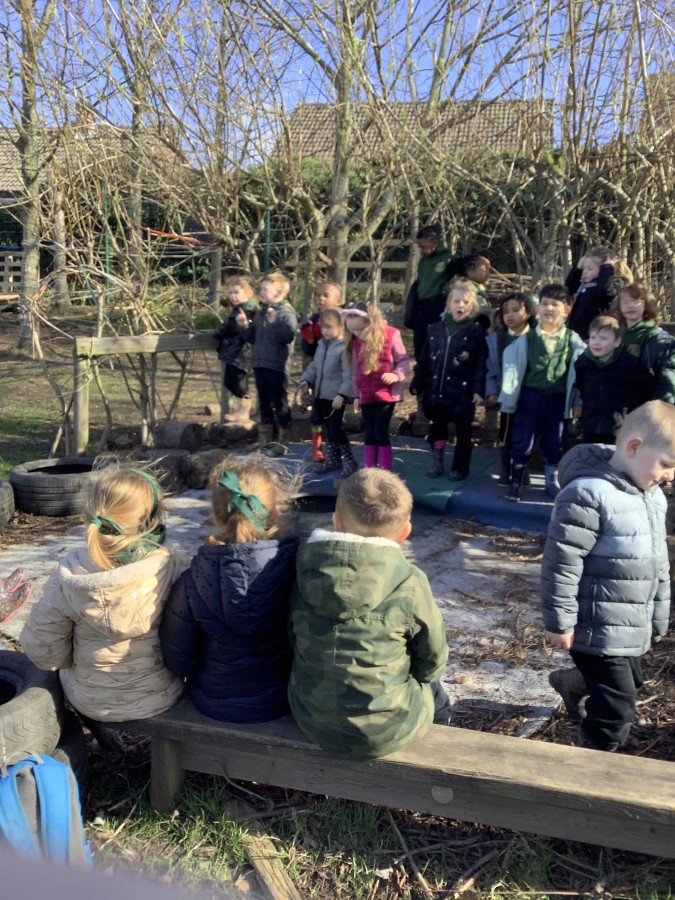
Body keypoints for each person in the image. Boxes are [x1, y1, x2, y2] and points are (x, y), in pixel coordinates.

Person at [288, 468, 452, 759]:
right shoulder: (411, 582)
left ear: (336, 522)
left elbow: (292, 637)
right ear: (405, 532)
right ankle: (443, 738)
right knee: (436, 692)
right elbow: (432, 659)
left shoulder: (304, 571)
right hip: (389, 731)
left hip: (312, 718)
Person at [542, 401, 674, 751]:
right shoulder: (588, 495)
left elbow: (658, 563)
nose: (670, 475)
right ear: (634, 447)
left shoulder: (652, 497)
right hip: (592, 624)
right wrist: (560, 621)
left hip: (627, 621)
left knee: (631, 682)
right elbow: (561, 563)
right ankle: (596, 764)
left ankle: (571, 683)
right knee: (616, 708)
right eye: (666, 464)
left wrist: (658, 614)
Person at [21, 468, 183, 722]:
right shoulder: (171, 565)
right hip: (160, 695)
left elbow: (42, 646)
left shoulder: (72, 573)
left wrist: (72, 664)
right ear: (151, 520)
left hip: (89, 697)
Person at [160, 457, 299, 723]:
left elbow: (178, 660)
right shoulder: (297, 571)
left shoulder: (193, 580)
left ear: (215, 515)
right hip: (281, 699)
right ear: (275, 513)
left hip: (213, 701)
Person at [499, 283, 585, 502]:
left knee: (554, 442)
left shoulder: (573, 340)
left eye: (555, 304)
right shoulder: (526, 339)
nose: (549, 308)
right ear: (538, 308)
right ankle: (516, 483)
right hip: (531, 397)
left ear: (566, 310)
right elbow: (512, 368)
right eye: (545, 303)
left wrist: (577, 401)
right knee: (523, 440)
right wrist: (508, 398)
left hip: (558, 400)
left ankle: (551, 483)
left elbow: (580, 374)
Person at [410, 278, 490, 481]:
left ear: (472, 306)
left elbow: (481, 364)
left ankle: (460, 468)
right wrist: (418, 381)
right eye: (456, 301)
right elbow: (425, 359)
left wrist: (478, 390)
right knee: (438, 428)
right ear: (448, 304)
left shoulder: (475, 332)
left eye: (465, 302)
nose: (460, 305)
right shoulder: (435, 329)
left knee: (463, 430)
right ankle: (438, 462)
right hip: (438, 388)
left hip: (463, 390)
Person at [344, 301, 409, 471]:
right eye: (353, 330)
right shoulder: (357, 342)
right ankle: (370, 468)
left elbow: (403, 359)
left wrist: (396, 375)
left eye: (360, 329)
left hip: (386, 393)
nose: (357, 334)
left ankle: (386, 469)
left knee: (381, 432)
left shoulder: (391, 334)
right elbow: (356, 371)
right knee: (369, 433)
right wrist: (356, 395)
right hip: (366, 394)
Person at [573, 315, 653, 444]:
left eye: (603, 338)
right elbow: (581, 386)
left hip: (619, 426)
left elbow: (644, 391)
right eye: (593, 337)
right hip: (591, 424)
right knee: (589, 452)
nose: (596, 342)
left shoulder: (630, 365)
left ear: (617, 341)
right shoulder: (583, 363)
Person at [484, 292, 537, 485]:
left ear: (528, 313)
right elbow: (491, 367)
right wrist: (491, 390)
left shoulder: (536, 337)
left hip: (530, 393)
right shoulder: (497, 339)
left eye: (515, 310)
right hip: (507, 394)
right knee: (506, 433)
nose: (510, 315)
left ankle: (523, 470)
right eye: (506, 311)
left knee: (527, 434)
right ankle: (506, 470)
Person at [299, 308, 358, 477]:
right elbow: (314, 367)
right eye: (323, 327)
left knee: (336, 428)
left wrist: (342, 395)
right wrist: (306, 380)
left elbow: (348, 374)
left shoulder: (343, 348)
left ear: (340, 327)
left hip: (335, 397)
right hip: (321, 395)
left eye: (329, 327)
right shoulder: (321, 345)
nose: (325, 331)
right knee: (328, 429)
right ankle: (334, 459)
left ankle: (350, 460)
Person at [243, 271, 298, 452]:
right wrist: (243, 325)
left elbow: (287, 337)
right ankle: (265, 440)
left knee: (279, 402)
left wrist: (275, 323)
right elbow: (252, 337)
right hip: (260, 363)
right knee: (264, 403)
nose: (262, 292)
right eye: (262, 289)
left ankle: (284, 441)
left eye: (266, 289)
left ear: (279, 292)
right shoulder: (261, 313)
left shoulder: (286, 313)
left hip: (277, 366)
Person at [298, 282, 344, 461]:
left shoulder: (344, 319)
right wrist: (308, 341)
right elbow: (309, 350)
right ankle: (317, 450)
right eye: (318, 295)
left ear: (338, 300)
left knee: (334, 420)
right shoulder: (314, 319)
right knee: (316, 415)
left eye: (325, 295)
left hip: (336, 378)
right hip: (319, 373)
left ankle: (338, 454)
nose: (320, 299)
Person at [611, 283, 675, 404]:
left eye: (636, 301)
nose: (631, 306)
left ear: (645, 304)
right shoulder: (614, 337)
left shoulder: (660, 339)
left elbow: (668, 381)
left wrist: (661, 408)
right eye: (625, 302)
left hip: (649, 405)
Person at [403, 225, 455, 359]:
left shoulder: (448, 259)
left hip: (438, 304)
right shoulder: (423, 262)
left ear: (435, 243)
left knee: (435, 338)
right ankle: (420, 365)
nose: (421, 251)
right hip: (422, 305)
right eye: (419, 247)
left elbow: (453, 280)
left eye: (423, 247)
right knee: (419, 338)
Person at [212, 275, 258, 424]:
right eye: (230, 292)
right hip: (235, 354)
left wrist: (217, 333)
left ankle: (245, 409)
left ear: (248, 293)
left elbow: (228, 327)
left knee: (238, 383)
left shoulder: (245, 310)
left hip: (241, 354)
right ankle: (246, 409)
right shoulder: (242, 309)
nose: (232, 296)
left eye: (236, 292)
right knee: (230, 381)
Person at [566, 246, 626, 341]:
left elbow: (603, 293)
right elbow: (568, 289)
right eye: (584, 269)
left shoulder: (611, 285)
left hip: (596, 337)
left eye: (590, 269)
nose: (585, 272)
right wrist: (578, 269)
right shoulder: (584, 286)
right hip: (577, 336)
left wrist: (607, 268)